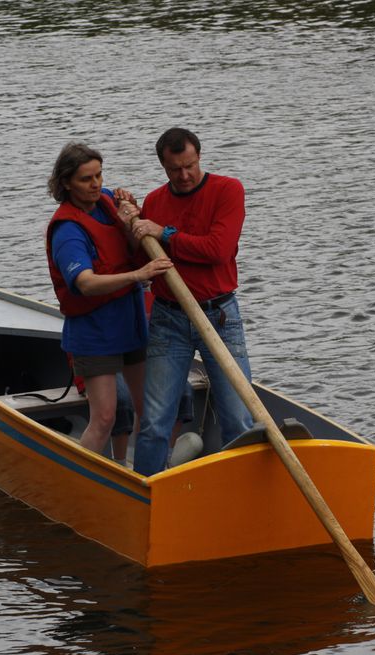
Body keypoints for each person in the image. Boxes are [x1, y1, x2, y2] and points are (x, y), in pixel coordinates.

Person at [128, 128, 254, 476]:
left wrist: (164, 233)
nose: (184, 176)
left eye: (190, 166)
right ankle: (147, 490)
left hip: (219, 317)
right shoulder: (154, 202)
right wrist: (132, 220)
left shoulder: (228, 190)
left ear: (199, 157)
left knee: (238, 416)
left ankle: (240, 491)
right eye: (174, 170)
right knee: (154, 420)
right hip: (169, 319)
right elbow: (140, 252)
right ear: (163, 167)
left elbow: (218, 250)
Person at [46, 142, 172, 461]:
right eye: (86, 179)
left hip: (129, 324)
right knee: (104, 418)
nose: (97, 184)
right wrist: (138, 275)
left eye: (99, 175)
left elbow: (126, 246)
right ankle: (79, 480)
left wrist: (133, 217)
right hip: (95, 333)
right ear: (66, 184)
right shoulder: (68, 231)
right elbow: (85, 283)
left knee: (151, 410)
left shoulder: (106, 204)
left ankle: (155, 475)